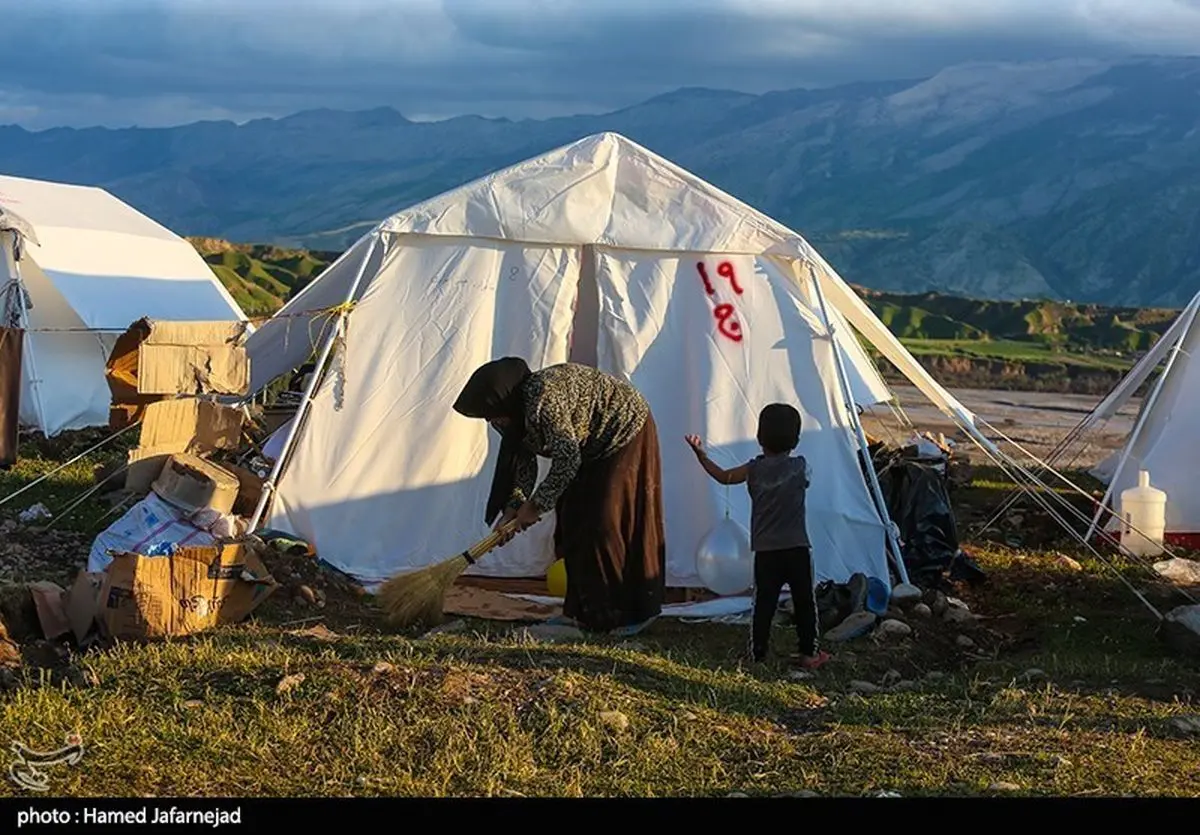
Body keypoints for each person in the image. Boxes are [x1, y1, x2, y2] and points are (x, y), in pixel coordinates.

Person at [452, 358, 666, 635]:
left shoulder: (544, 397)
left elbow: (567, 459)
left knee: (603, 520)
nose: (491, 420)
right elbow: (524, 461)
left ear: (504, 398)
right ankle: (582, 613)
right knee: (571, 518)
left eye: (492, 413)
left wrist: (536, 505)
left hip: (623, 430)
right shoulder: (512, 414)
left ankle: (624, 614)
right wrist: (513, 508)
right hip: (588, 445)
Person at [685, 403, 830, 670]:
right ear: (796, 439)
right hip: (797, 547)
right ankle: (809, 653)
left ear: (760, 437)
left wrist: (701, 455)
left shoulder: (752, 470)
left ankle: (759, 654)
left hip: (765, 551)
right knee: (804, 602)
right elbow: (805, 481)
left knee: (763, 603)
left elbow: (723, 477)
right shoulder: (801, 467)